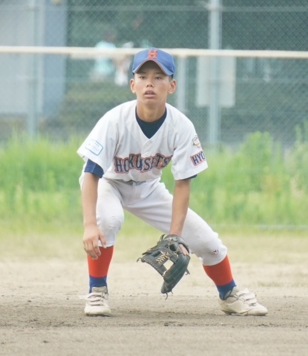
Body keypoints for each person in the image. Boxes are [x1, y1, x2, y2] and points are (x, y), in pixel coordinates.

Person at [77, 47, 268, 317]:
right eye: (143, 77)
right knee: (108, 222)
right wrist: (89, 225)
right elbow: (90, 174)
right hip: (109, 183)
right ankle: (97, 292)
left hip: (149, 189)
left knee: (209, 243)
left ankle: (229, 294)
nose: (150, 83)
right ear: (132, 85)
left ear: (172, 85)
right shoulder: (114, 121)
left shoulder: (181, 126)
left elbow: (182, 184)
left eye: (159, 77)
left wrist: (176, 236)